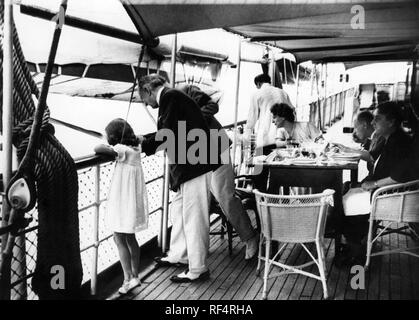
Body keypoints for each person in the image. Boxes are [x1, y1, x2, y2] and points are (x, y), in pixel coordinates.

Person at [138, 74, 221, 283]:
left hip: (194, 165)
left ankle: (198, 268)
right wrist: (147, 140)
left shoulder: (170, 98)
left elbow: (167, 134)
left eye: (143, 99)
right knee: (179, 212)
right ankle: (179, 254)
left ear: (148, 90)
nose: (146, 104)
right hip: (190, 166)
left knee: (194, 217)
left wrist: (144, 144)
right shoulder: (171, 97)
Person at [177, 83, 259, 260]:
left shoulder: (184, 91)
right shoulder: (166, 106)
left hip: (216, 149)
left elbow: (212, 105)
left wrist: (195, 119)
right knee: (194, 201)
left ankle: (251, 238)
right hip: (197, 154)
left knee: (225, 197)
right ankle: (193, 248)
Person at [339, 101, 415, 266]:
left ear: (391, 122)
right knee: (346, 190)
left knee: (345, 202)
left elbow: (400, 176)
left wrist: (373, 184)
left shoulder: (400, 143)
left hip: (389, 195)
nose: (372, 123)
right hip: (384, 190)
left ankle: (356, 253)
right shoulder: (390, 139)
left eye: (377, 119)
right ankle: (354, 242)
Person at [94, 118, 148, 294]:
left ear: (114, 137)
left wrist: (109, 145)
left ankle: (127, 278)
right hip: (131, 201)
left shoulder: (121, 149)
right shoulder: (135, 148)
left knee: (119, 238)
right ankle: (135, 274)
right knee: (130, 238)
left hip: (122, 201)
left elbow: (98, 149)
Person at [244, 74, 294, 153]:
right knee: (282, 159)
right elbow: (291, 111)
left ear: (258, 84)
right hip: (283, 132)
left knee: (264, 160)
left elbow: (252, 117)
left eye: (257, 86)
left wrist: (246, 136)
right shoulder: (283, 92)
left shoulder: (257, 94)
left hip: (266, 134)